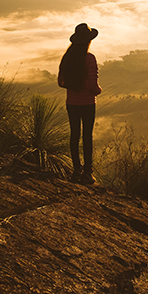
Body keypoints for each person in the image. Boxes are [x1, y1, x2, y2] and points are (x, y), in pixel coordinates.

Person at [58, 23, 102, 184]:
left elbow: (60, 82)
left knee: (74, 135)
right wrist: (98, 91)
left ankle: (76, 170)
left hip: (72, 103)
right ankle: (87, 172)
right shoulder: (89, 59)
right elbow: (93, 85)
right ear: (88, 41)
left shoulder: (67, 58)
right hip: (88, 104)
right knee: (87, 136)